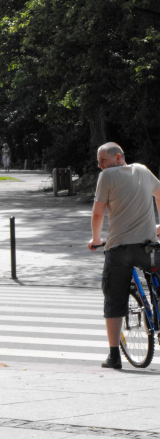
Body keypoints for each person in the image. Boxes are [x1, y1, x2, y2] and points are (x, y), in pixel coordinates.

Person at [88, 142, 160, 369]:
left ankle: (114, 356)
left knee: (114, 299)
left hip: (119, 249)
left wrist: (96, 239)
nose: (100, 165)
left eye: (103, 160)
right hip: (149, 247)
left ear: (118, 158)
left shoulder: (107, 177)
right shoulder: (142, 170)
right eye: (98, 161)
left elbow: (98, 212)